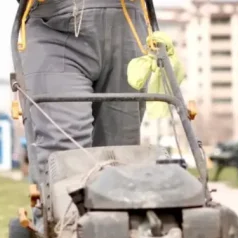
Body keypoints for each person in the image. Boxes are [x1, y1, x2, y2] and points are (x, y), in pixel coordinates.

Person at [12, 0, 152, 186]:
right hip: (53, 24)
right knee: (65, 158)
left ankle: (120, 212)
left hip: (127, 22)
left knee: (121, 156)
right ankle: (67, 213)